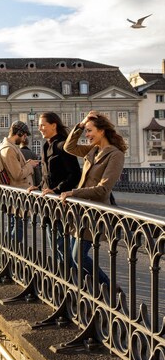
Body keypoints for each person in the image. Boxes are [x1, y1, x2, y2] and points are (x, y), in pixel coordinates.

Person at [60, 111, 127, 287]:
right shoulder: (94, 150)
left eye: (90, 131)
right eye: (86, 131)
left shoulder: (115, 155)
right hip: (81, 211)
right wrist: (81, 125)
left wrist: (74, 193)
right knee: (74, 257)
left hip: (95, 214)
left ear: (102, 131)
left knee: (78, 257)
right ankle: (91, 292)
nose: (87, 135)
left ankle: (112, 290)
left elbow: (103, 189)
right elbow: (69, 147)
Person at [28, 112, 81, 264]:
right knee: (55, 246)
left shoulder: (62, 145)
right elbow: (48, 176)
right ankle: (63, 277)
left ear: (54, 125)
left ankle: (70, 279)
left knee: (61, 246)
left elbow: (75, 174)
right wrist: (37, 187)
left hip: (60, 204)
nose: (40, 129)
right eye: (39, 126)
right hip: (48, 204)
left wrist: (57, 190)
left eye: (43, 125)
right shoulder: (46, 146)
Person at [0, 121, 40, 241]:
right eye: (24, 135)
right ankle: (12, 254)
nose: (24, 139)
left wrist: (26, 164)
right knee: (17, 228)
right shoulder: (9, 149)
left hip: (16, 195)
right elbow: (17, 174)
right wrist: (30, 165)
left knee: (13, 226)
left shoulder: (9, 147)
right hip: (18, 196)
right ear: (19, 133)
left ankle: (9, 252)